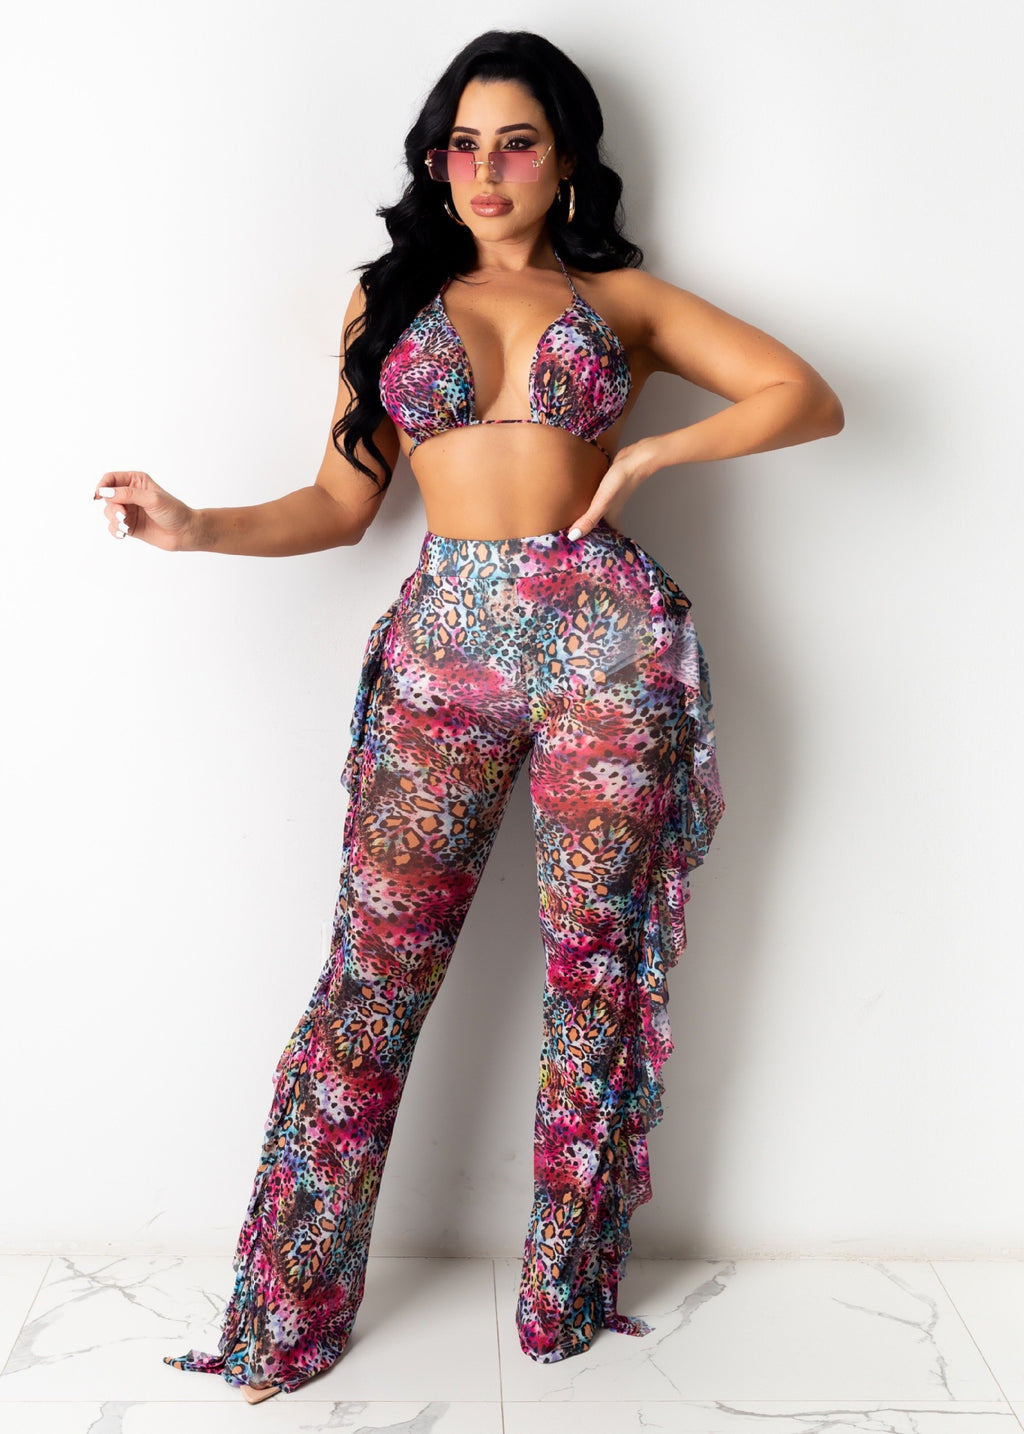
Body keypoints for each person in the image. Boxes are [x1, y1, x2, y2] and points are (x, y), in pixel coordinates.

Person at [95, 29, 843, 1403]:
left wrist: (651, 452)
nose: (485, 170)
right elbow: (341, 504)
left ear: (566, 161)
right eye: (462, 143)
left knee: (597, 970)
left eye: (517, 143)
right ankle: (287, 1318)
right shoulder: (389, 300)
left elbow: (807, 394)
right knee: (372, 979)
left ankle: (565, 1297)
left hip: (606, 642)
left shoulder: (621, 299)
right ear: (435, 163)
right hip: (443, 649)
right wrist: (196, 526)